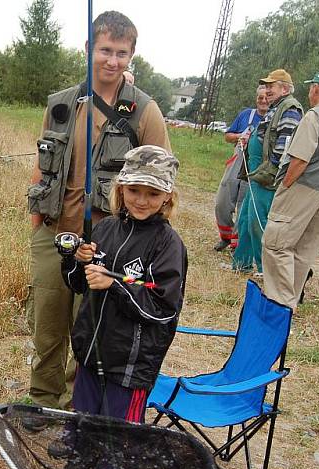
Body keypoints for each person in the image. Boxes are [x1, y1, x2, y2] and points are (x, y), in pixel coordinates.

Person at [26, 11, 171, 410]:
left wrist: (148, 243)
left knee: (89, 329)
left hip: (108, 245)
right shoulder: (61, 103)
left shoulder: (144, 111)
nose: (112, 60)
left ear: (131, 56)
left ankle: (78, 406)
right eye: (105, 50)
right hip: (54, 235)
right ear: (89, 49)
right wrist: (37, 215)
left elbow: (164, 178)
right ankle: (42, 402)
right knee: (47, 328)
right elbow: (42, 163)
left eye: (121, 53)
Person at [62, 145, 186, 422]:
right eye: (133, 191)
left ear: (168, 197)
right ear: (120, 189)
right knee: (82, 427)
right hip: (89, 356)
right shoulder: (105, 228)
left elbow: (163, 307)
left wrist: (115, 284)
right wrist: (76, 261)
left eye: (153, 193)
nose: (142, 201)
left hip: (129, 369)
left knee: (120, 441)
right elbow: (78, 285)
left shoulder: (168, 244)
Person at [262, 70, 319, 309]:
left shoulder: (314, 116)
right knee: (305, 249)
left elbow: (300, 159)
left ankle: (278, 302)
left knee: (277, 242)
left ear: (314, 89)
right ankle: (290, 301)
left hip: (304, 187)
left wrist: (285, 184)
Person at [231, 69, 302, 274]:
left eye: (272, 86)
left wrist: (272, 169)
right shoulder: (275, 107)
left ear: (285, 88)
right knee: (245, 220)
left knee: (258, 222)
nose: (267, 90)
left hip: (267, 175)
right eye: (266, 86)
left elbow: (285, 144)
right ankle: (241, 265)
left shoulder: (289, 108)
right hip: (256, 171)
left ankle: (265, 269)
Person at [213, 85, 269, 251]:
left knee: (244, 203)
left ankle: (236, 244)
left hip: (256, 163)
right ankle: (226, 236)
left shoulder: (273, 118)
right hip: (238, 158)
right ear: (256, 99)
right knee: (222, 200)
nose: (263, 101)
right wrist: (240, 136)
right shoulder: (246, 115)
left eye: (267, 98)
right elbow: (227, 136)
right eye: (260, 98)